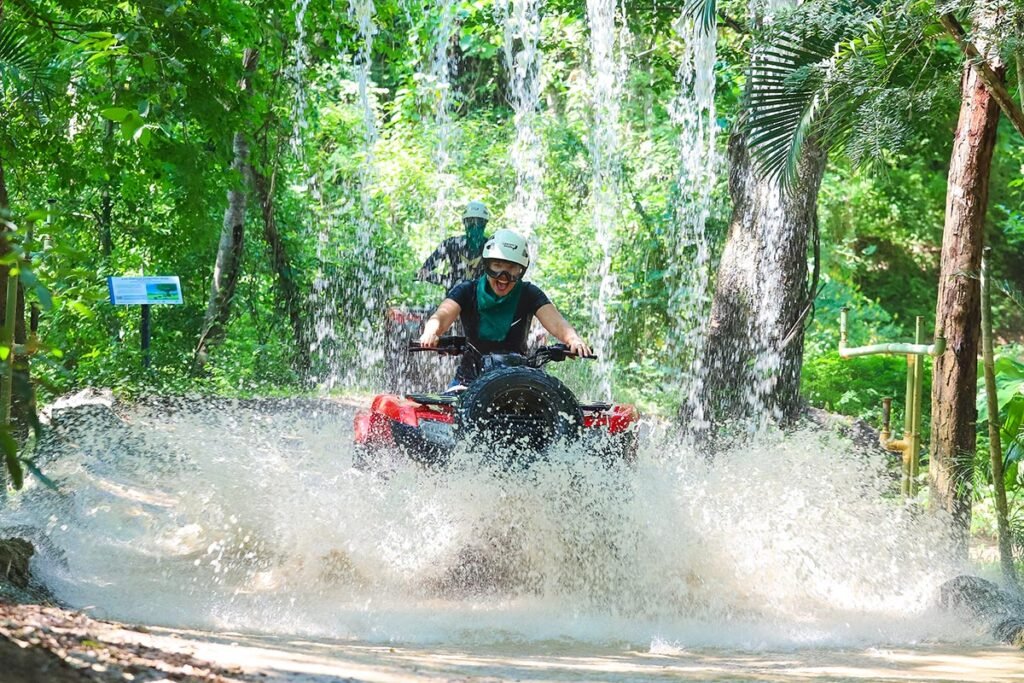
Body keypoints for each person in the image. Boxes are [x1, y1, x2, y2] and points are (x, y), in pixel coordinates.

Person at [418, 228, 592, 385]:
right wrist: (431, 332)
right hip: (469, 379)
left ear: (521, 270)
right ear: (487, 265)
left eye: (511, 268)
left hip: (517, 378)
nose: (503, 276)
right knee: (449, 417)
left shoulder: (529, 293)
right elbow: (441, 316)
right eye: (497, 266)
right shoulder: (466, 290)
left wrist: (573, 340)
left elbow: (557, 323)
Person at [417, 200, 491, 292]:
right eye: (470, 223)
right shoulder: (451, 244)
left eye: (479, 223)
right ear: (465, 224)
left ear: (484, 224)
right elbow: (424, 271)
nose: (474, 227)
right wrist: (449, 282)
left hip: (482, 299)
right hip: (455, 298)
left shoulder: (492, 247)